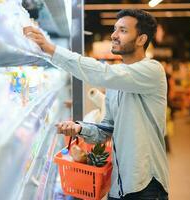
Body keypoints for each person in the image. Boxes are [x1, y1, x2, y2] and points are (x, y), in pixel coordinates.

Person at [24, 9, 168, 200]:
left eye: (123, 31)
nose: (114, 35)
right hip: (118, 184)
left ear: (141, 39)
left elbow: (102, 73)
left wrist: (52, 50)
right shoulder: (116, 82)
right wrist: (80, 128)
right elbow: (106, 129)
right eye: (115, 29)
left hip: (146, 185)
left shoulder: (152, 71)